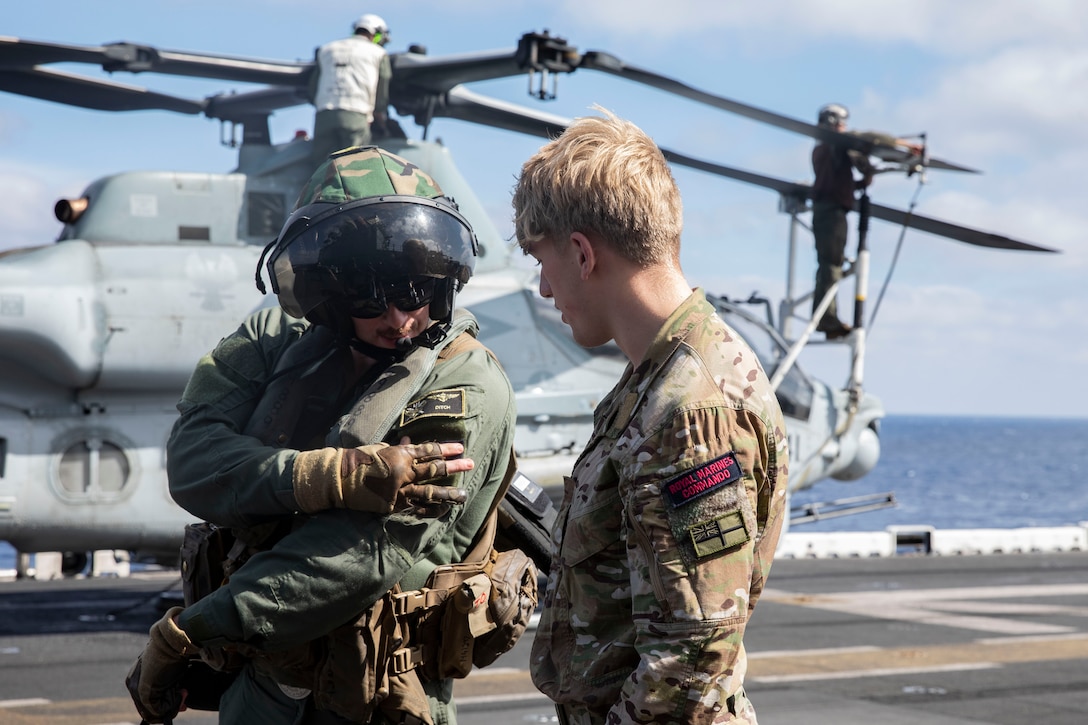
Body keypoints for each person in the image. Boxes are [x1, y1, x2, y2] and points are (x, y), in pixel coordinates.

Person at [126, 146, 517, 725]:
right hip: (257, 692)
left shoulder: (464, 382)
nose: (401, 318)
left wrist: (191, 632)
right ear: (326, 286)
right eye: (371, 290)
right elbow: (192, 461)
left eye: (419, 288)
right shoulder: (274, 337)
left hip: (377, 702)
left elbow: (353, 559)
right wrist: (325, 476)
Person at [512, 110, 789, 724]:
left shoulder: (689, 408)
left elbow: (693, 652)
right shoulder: (659, 376)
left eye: (543, 260)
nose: (544, 289)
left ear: (582, 254)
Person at [810, 102, 918, 339]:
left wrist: (861, 182)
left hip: (829, 209)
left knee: (830, 265)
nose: (844, 127)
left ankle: (827, 319)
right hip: (831, 212)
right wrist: (904, 145)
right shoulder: (833, 146)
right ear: (833, 122)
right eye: (841, 122)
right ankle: (826, 320)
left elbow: (836, 183)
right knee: (831, 265)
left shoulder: (823, 149)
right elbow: (866, 137)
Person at [310, 14, 392, 166]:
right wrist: (380, 116)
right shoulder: (378, 53)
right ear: (376, 34)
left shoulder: (326, 50)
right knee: (356, 167)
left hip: (324, 116)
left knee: (321, 169)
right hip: (356, 115)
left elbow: (312, 89)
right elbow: (382, 90)